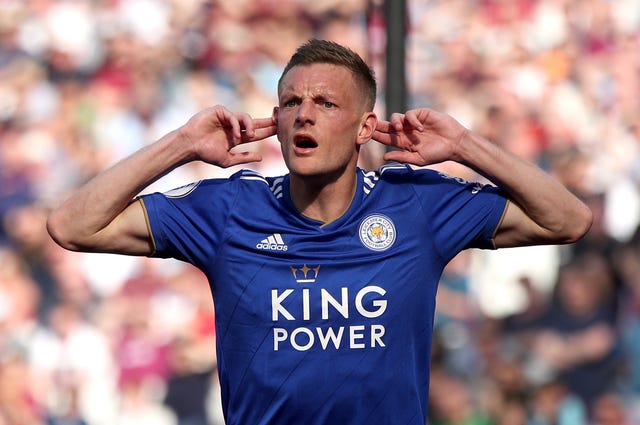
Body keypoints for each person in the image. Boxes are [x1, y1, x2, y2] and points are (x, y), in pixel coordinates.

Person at [47, 39, 592, 424]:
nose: (303, 115)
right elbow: (71, 225)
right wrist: (183, 143)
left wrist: (466, 146)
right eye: (290, 103)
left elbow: (567, 219)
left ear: (365, 128)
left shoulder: (415, 205)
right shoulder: (231, 207)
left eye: (326, 103)